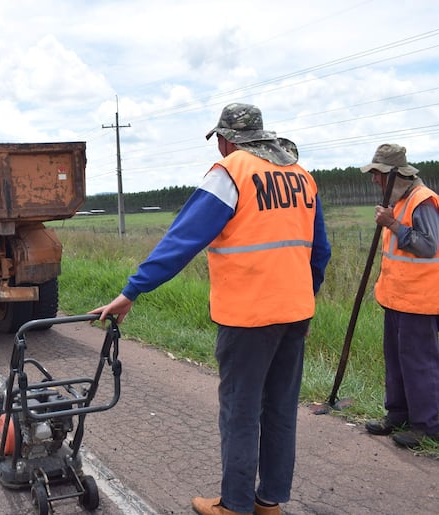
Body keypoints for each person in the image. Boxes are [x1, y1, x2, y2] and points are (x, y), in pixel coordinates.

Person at [90, 103, 332, 515]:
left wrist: (131, 291)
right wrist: (304, 304)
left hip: (247, 318)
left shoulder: (231, 172)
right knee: (279, 410)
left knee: (241, 411)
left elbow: (181, 241)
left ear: (226, 138)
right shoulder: (301, 177)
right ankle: (268, 501)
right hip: (294, 313)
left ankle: (234, 506)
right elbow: (319, 252)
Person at [360, 143, 439, 449]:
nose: (374, 180)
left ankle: (428, 426)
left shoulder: (422, 201)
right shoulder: (402, 200)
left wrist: (392, 224)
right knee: (396, 360)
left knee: (420, 363)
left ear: (395, 175)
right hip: (397, 298)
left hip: (420, 300)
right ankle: (399, 414)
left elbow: (428, 245)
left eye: (378, 174)